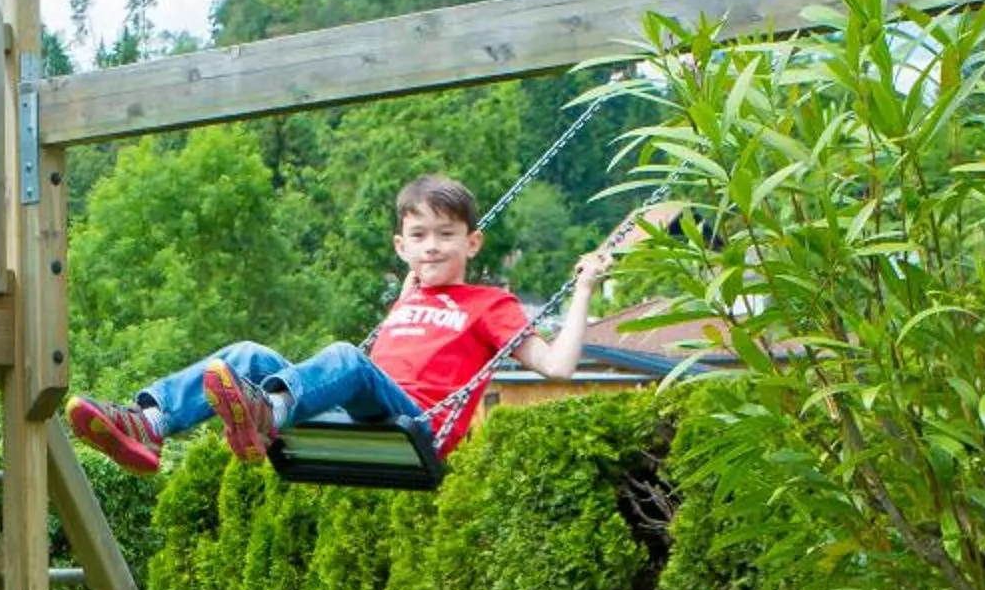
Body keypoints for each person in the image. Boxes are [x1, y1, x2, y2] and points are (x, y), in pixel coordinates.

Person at [67, 174, 641, 474]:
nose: (432, 247)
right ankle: (146, 425)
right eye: (419, 237)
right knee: (244, 353)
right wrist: (410, 299)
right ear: (400, 245)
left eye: (446, 235)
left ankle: (264, 413)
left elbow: (559, 367)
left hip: (417, 425)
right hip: (356, 413)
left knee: (344, 356)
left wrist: (585, 288)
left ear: (473, 240)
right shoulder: (410, 294)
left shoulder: (489, 303)